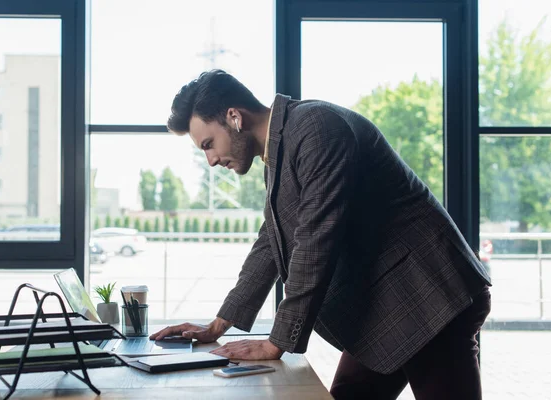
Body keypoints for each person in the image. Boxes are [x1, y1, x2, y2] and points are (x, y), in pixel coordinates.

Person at [151, 70, 492, 400]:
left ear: (234, 117)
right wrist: (217, 326)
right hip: (391, 305)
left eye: (208, 144)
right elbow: (271, 242)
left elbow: (316, 243)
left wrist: (277, 342)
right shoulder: (280, 150)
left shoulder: (316, 128)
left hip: (432, 297)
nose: (210, 160)